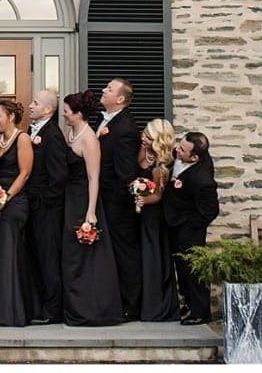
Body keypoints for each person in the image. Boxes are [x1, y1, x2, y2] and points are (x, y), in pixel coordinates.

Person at [61, 90, 123, 326]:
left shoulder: (89, 140)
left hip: (83, 199)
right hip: (69, 197)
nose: (64, 114)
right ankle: (73, 306)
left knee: (85, 254)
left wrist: (90, 211)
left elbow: (93, 177)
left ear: (78, 114)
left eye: (67, 111)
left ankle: (92, 309)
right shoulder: (71, 132)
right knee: (70, 254)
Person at [0, 99, 36, 327]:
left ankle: (12, 312)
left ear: (11, 117)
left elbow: (24, 174)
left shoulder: (22, 138)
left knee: (9, 251)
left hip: (14, 202)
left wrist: (5, 197)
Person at [163, 131, 220, 325]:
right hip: (174, 223)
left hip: (189, 230)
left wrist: (188, 226)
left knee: (193, 270)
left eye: (183, 150)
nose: (177, 150)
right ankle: (187, 304)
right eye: (180, 145)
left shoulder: (203, 180)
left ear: (195, 157)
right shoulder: (181, 157)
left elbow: (210, 211)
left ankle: (200, 312)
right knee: (181, 268)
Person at [96, 77, 142, 320]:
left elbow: (125, 173)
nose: (104, 90)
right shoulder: (105, 122)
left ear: (120, 99)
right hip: (103, 200)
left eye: (109, 89)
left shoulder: (124, 129)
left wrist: (114, 203)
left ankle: (130, 305)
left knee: (125, 253)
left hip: (117, 204)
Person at [26, 88, 68, 324]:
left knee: (48, 257)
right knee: (37, 256)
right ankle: (40, 304)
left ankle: (53, 310)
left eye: (35, 102)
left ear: (48, 109)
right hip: (34, 208)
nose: (30, 106)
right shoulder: (32, 131)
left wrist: (43, 202)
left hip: (47, 210)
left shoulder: (52, 135)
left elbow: (59, 176)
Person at [135, 118, 179, 321]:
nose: (143, 137)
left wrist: (142, 200)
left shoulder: (161, 166)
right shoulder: (142, 151)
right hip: (138, 213)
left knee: (151, 255)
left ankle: (155, 306)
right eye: (144, 133)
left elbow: (158, 195)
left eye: (148, 136)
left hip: (152, 215)